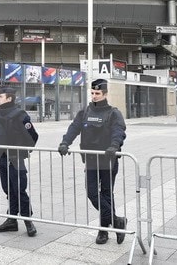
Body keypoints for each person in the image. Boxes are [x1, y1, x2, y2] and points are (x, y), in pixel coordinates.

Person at [57, 79, 127, 245]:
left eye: (97, 93)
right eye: (92, 93)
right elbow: (74, 128)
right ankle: (117, 222)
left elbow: (119, 132)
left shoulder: (113, 113)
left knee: (107, 194)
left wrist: (114, 146)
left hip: (108, 159)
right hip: (91, 159)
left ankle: (103, 231)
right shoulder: (85, 112)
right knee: (92, 193)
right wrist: (65, 142)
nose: (94, 96)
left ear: (104, 94)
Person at [0, 86, 39, 237]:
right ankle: (12, 221)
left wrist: (23, 150)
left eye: (1, 96)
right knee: (9, 190)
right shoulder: (0, 114)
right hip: (3, 158)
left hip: (16, 159)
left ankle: (28, 221)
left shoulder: (19, 114)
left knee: (19, 190)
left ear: (9, 98)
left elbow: (33, 136)